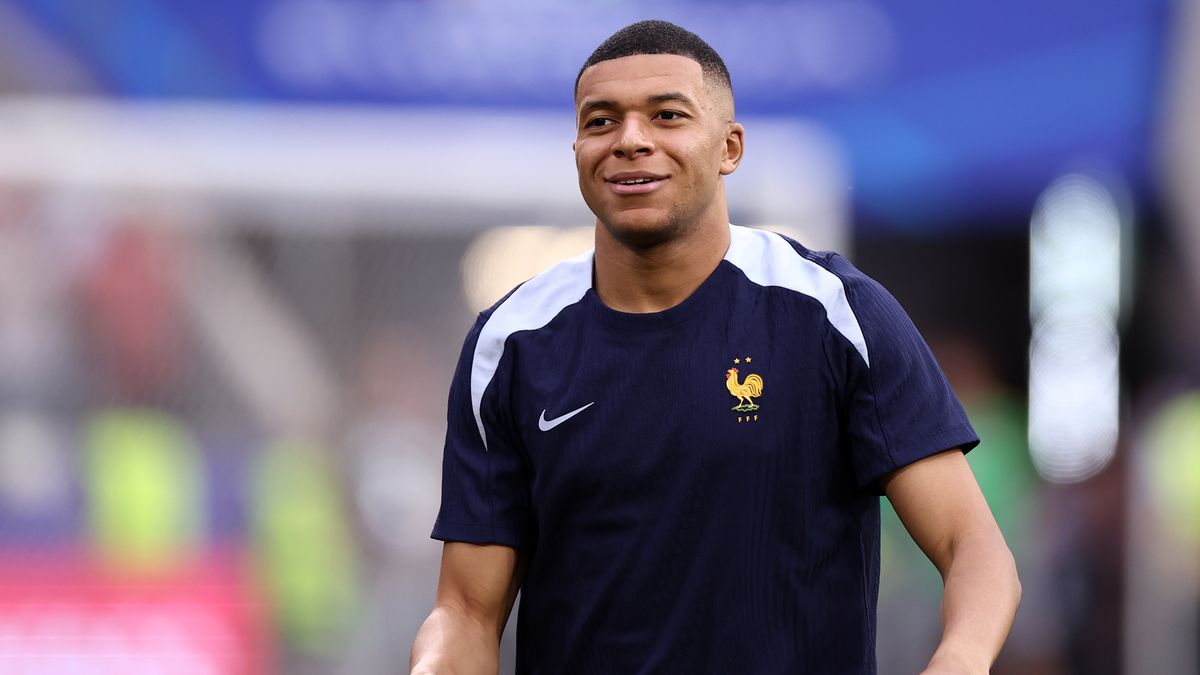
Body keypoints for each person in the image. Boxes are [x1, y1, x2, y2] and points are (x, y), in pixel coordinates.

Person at [410, 20, 1020, 675]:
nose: (631, 140)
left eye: (667, 115)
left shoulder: (834, 314)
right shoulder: (510, 344)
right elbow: (468, 610)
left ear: (729, 147)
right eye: (601, 121)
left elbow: (974, 547)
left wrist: (959, 658)